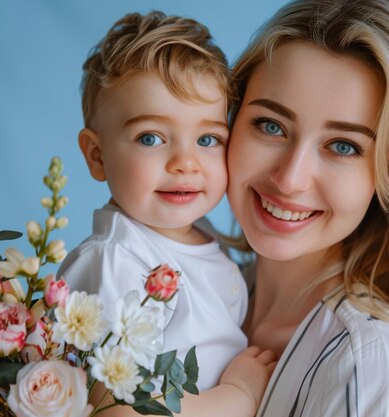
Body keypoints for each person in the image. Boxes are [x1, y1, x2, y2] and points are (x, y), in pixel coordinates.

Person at [226, 0, 389, 416]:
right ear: (230, 120)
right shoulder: (194, 290)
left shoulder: (364, 362)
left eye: (343, 146)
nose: (290, 179)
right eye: (271, 125)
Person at [57, 11, 275, 417]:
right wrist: (240, 395)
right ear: (97, 155)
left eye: (208, 138)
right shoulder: (117, 261)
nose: (185, 162)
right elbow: (120, 412)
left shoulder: (201, 235)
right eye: (151, 137)